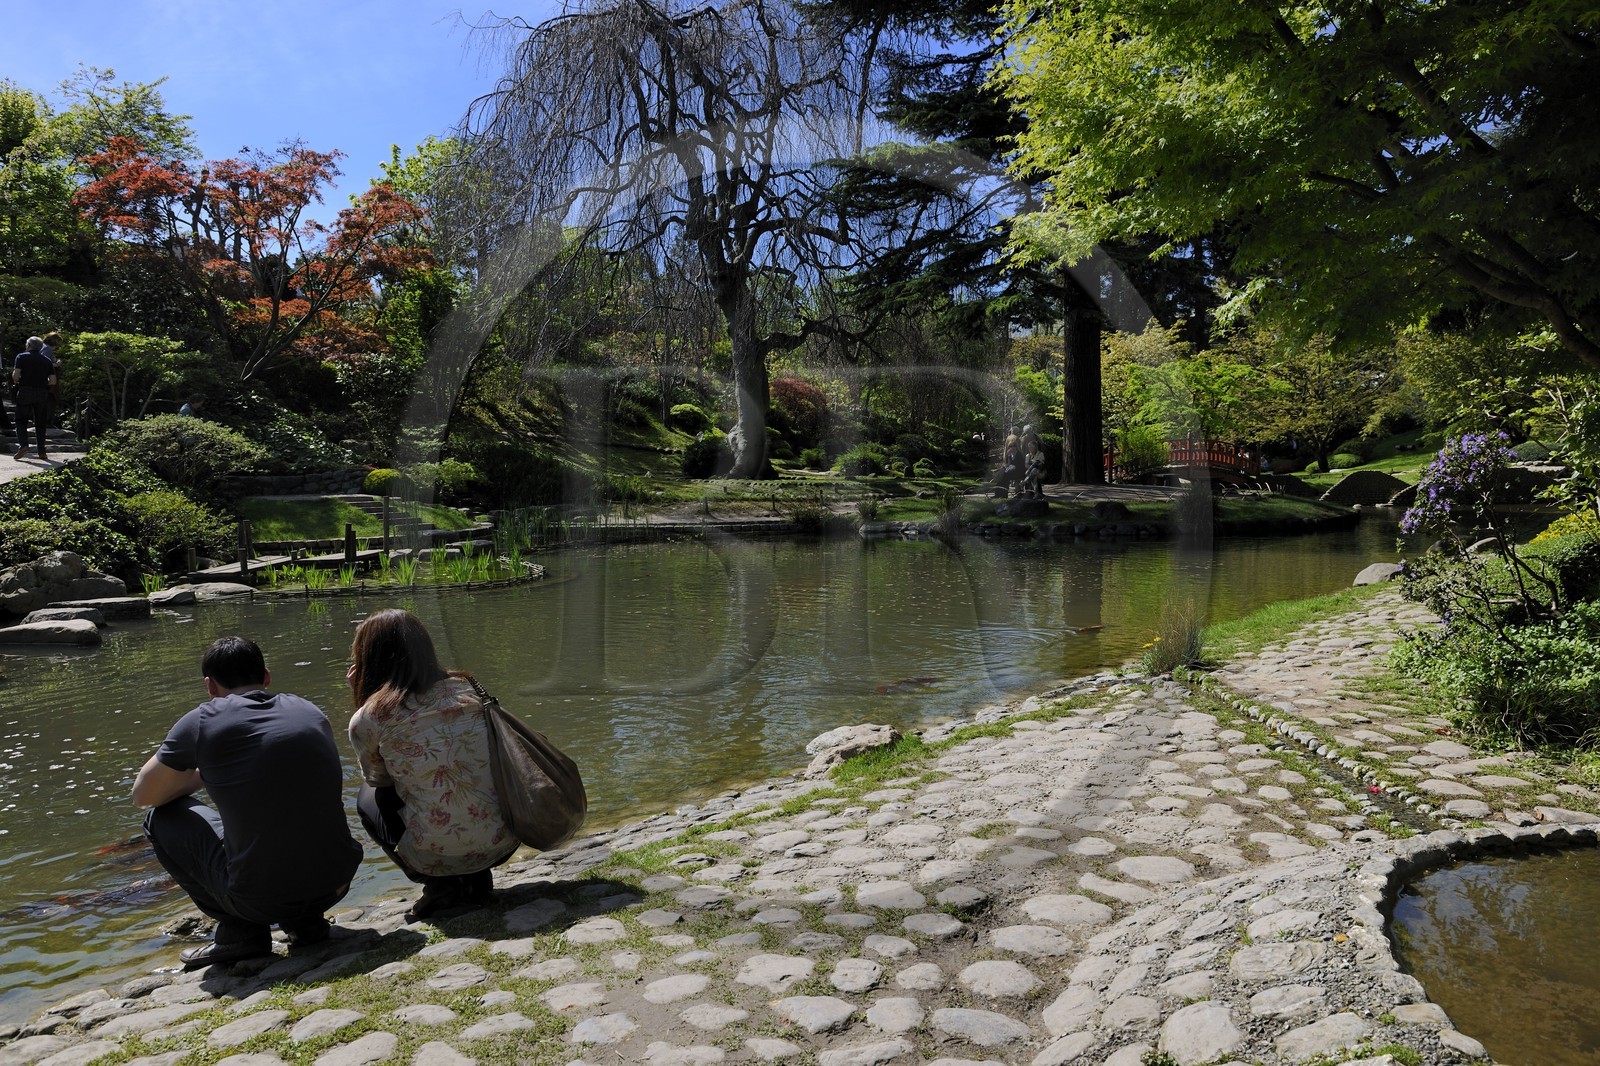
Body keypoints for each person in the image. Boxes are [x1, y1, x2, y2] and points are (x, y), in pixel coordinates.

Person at [132, 637, 362, 969]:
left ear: (210, 686)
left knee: (161, 818)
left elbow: (143, 796)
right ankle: (306, 924)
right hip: (337, 883)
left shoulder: (203, 720)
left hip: (259, 900)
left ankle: (241, 933)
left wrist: (201, 772)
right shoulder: (308, 710)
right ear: (266, 676)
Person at [347, 609, 516, 921]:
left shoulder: (369, 718)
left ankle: (438, 883)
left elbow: (380, 780)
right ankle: (476, 877)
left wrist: (361, 700)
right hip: (504, 841)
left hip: (434, 853)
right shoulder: (468, 689)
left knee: (368, 795)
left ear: (367, 659)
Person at [10, 337, 55, 461]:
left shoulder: (21, 357)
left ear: (28, 345)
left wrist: (16, 380)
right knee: (40, 422)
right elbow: (53, 380)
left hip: (25, 390)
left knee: (20, 420)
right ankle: (42, 451)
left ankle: (23, 445)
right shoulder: (47, 360)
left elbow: (16, 375)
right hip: (42, 392)